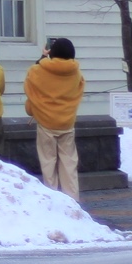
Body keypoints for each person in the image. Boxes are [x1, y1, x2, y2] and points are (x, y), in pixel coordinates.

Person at [24, 38, 85, 199]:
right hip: (66, 123)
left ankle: (52, 198)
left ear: (52, 52)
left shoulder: (38, 71)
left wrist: (43, 57)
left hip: (45, 123)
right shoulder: (76, 73)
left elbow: (31, 80)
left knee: (48, 162)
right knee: (69, 164)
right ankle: (72, 201)